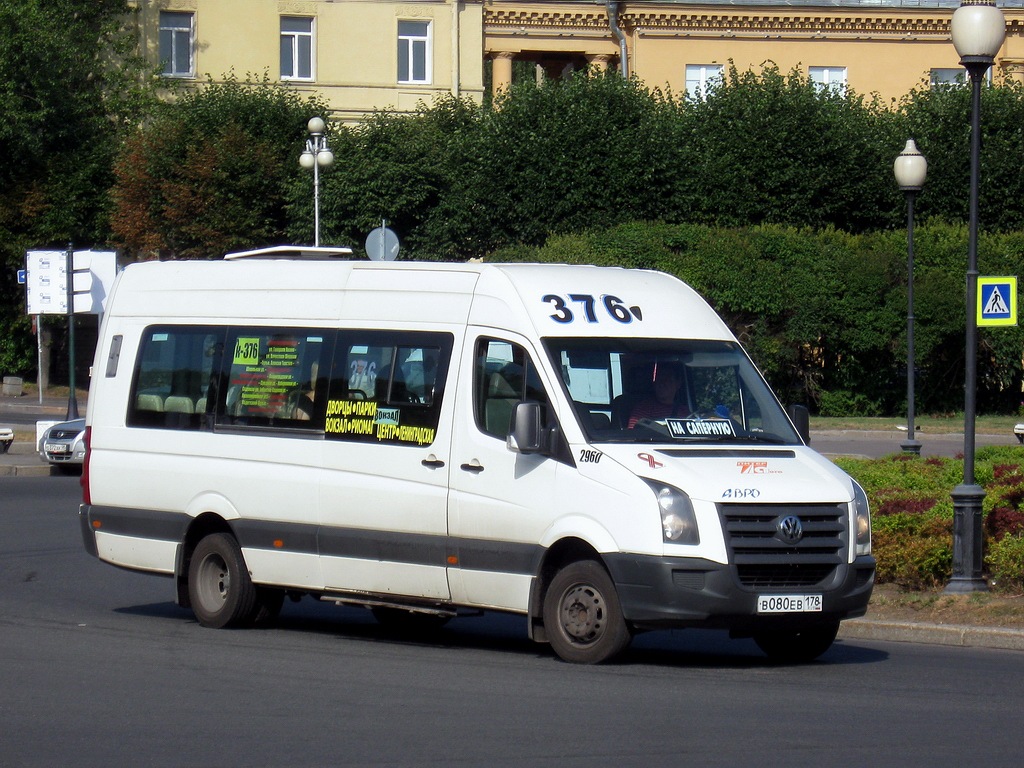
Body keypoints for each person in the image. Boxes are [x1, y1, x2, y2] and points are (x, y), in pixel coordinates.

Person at [628, 364, 686, 428]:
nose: (662, 383)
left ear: (678, 384)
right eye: (659, 378)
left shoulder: (685, 412)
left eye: (667, 379)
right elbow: (634, 434)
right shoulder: (643, 409)